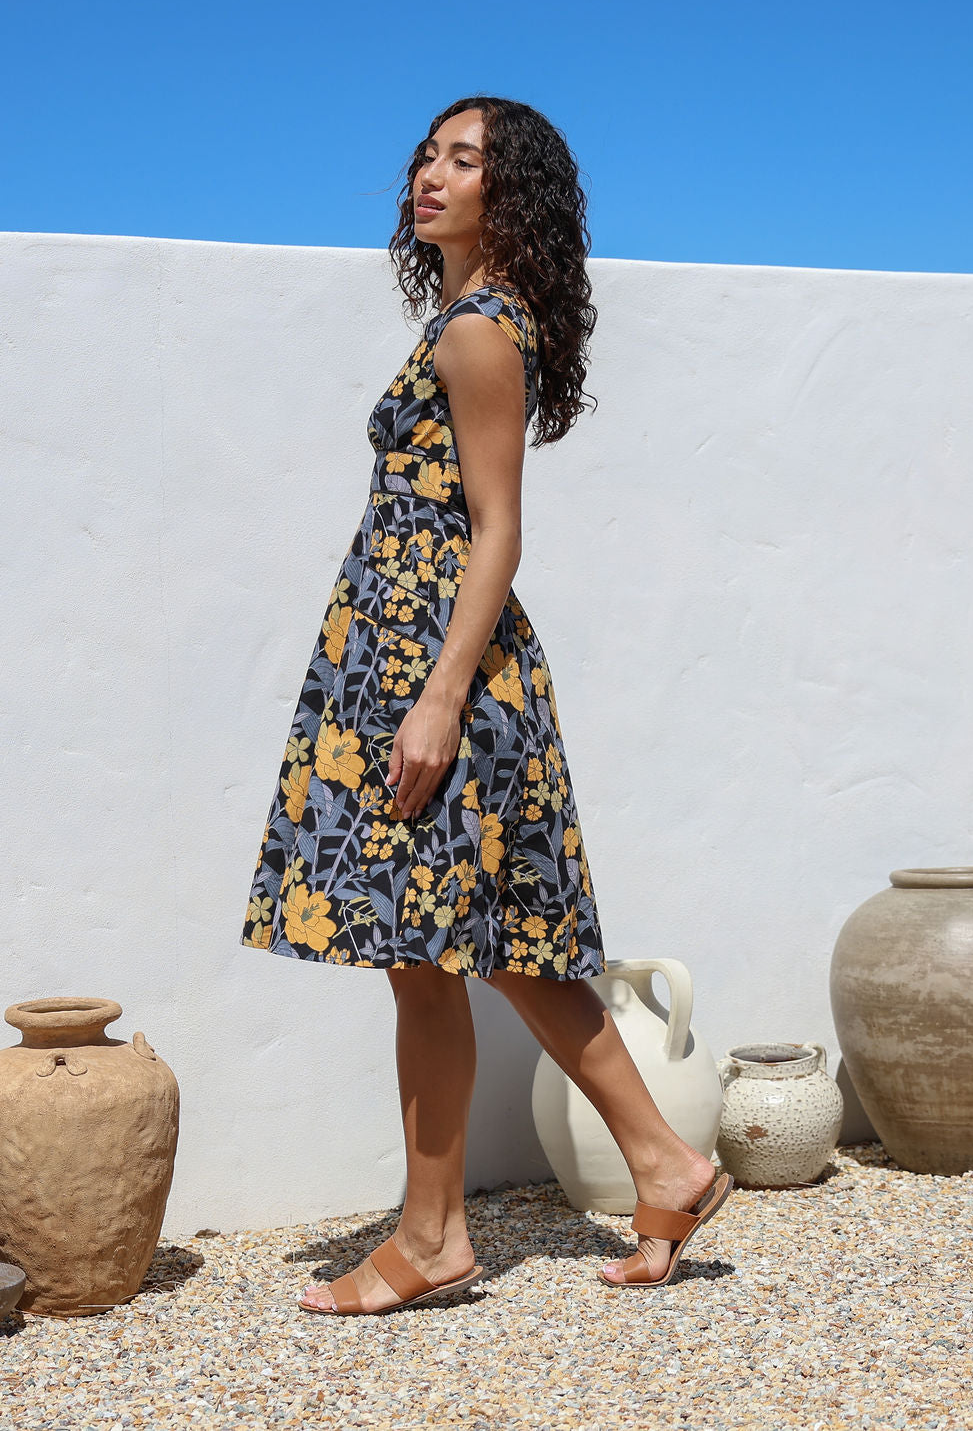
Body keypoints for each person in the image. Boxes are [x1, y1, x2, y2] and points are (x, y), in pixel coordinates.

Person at [242, 95, 732, 1316]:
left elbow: (497, 534)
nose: (429, 173)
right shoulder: (468, 321)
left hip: (439, 671)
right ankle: (668, 1166)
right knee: (509, 948)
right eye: (427, 153)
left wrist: (436, 699)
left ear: (507, 194)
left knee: (422, 956)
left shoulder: (476, 332)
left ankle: (432, 1237)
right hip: (425, 662)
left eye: (464, 160)